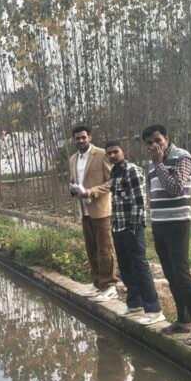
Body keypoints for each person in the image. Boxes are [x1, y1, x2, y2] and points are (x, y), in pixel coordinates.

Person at [142, 124, 191, 343]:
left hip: (177, 222)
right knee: (170, 274)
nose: (154, 145)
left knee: (181, 273)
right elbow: (155, 193)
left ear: (167, 138)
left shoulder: (183, 157)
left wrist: (159, 163)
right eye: (149, 142)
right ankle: (183, 320)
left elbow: (176, 188)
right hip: (159, 223)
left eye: (157, 140)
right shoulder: (151, 163)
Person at [105, 140, 165, 326]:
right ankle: (134, 303)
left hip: (131, 227)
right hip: (118, 226)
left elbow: (139, 201)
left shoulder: (132, 170)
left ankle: (154, 309)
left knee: (139, 266)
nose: (113, 155)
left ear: (124, 151)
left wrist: (134, 226)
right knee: (125, 266)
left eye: (116, 151)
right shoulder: (114, 172)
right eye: (110, 153)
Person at [68, 124, 118, 302]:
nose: (80, 140)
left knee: (105, 249)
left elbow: (112, 181)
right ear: (73, 140)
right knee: (91, 249)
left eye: (83, 137)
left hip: (101, 209)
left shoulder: (102, 154)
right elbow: (74, 180)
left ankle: (110, 285)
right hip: (84, 210)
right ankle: (97, 283)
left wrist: (93, 191)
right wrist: (73, 189)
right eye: (77, 138)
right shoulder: (73, 159)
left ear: (89, 137)